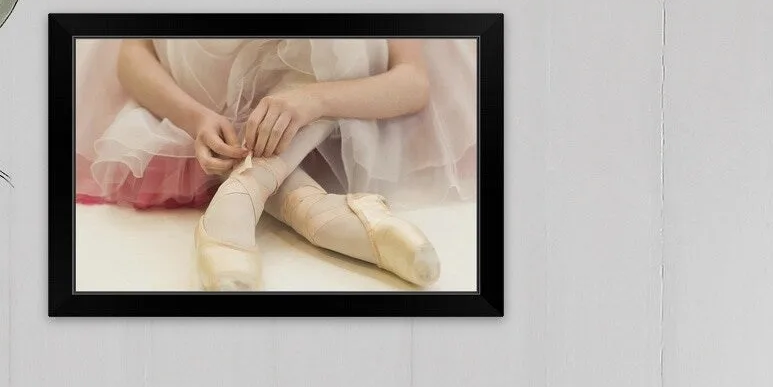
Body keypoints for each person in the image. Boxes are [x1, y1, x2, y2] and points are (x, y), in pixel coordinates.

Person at [75, 38, 476, 291]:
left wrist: (313, 100)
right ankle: (313, 210)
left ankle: (239, 195)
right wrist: (195, 119)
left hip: (333, 112)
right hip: (206, 96)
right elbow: (132, 50)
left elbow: (412, 80)